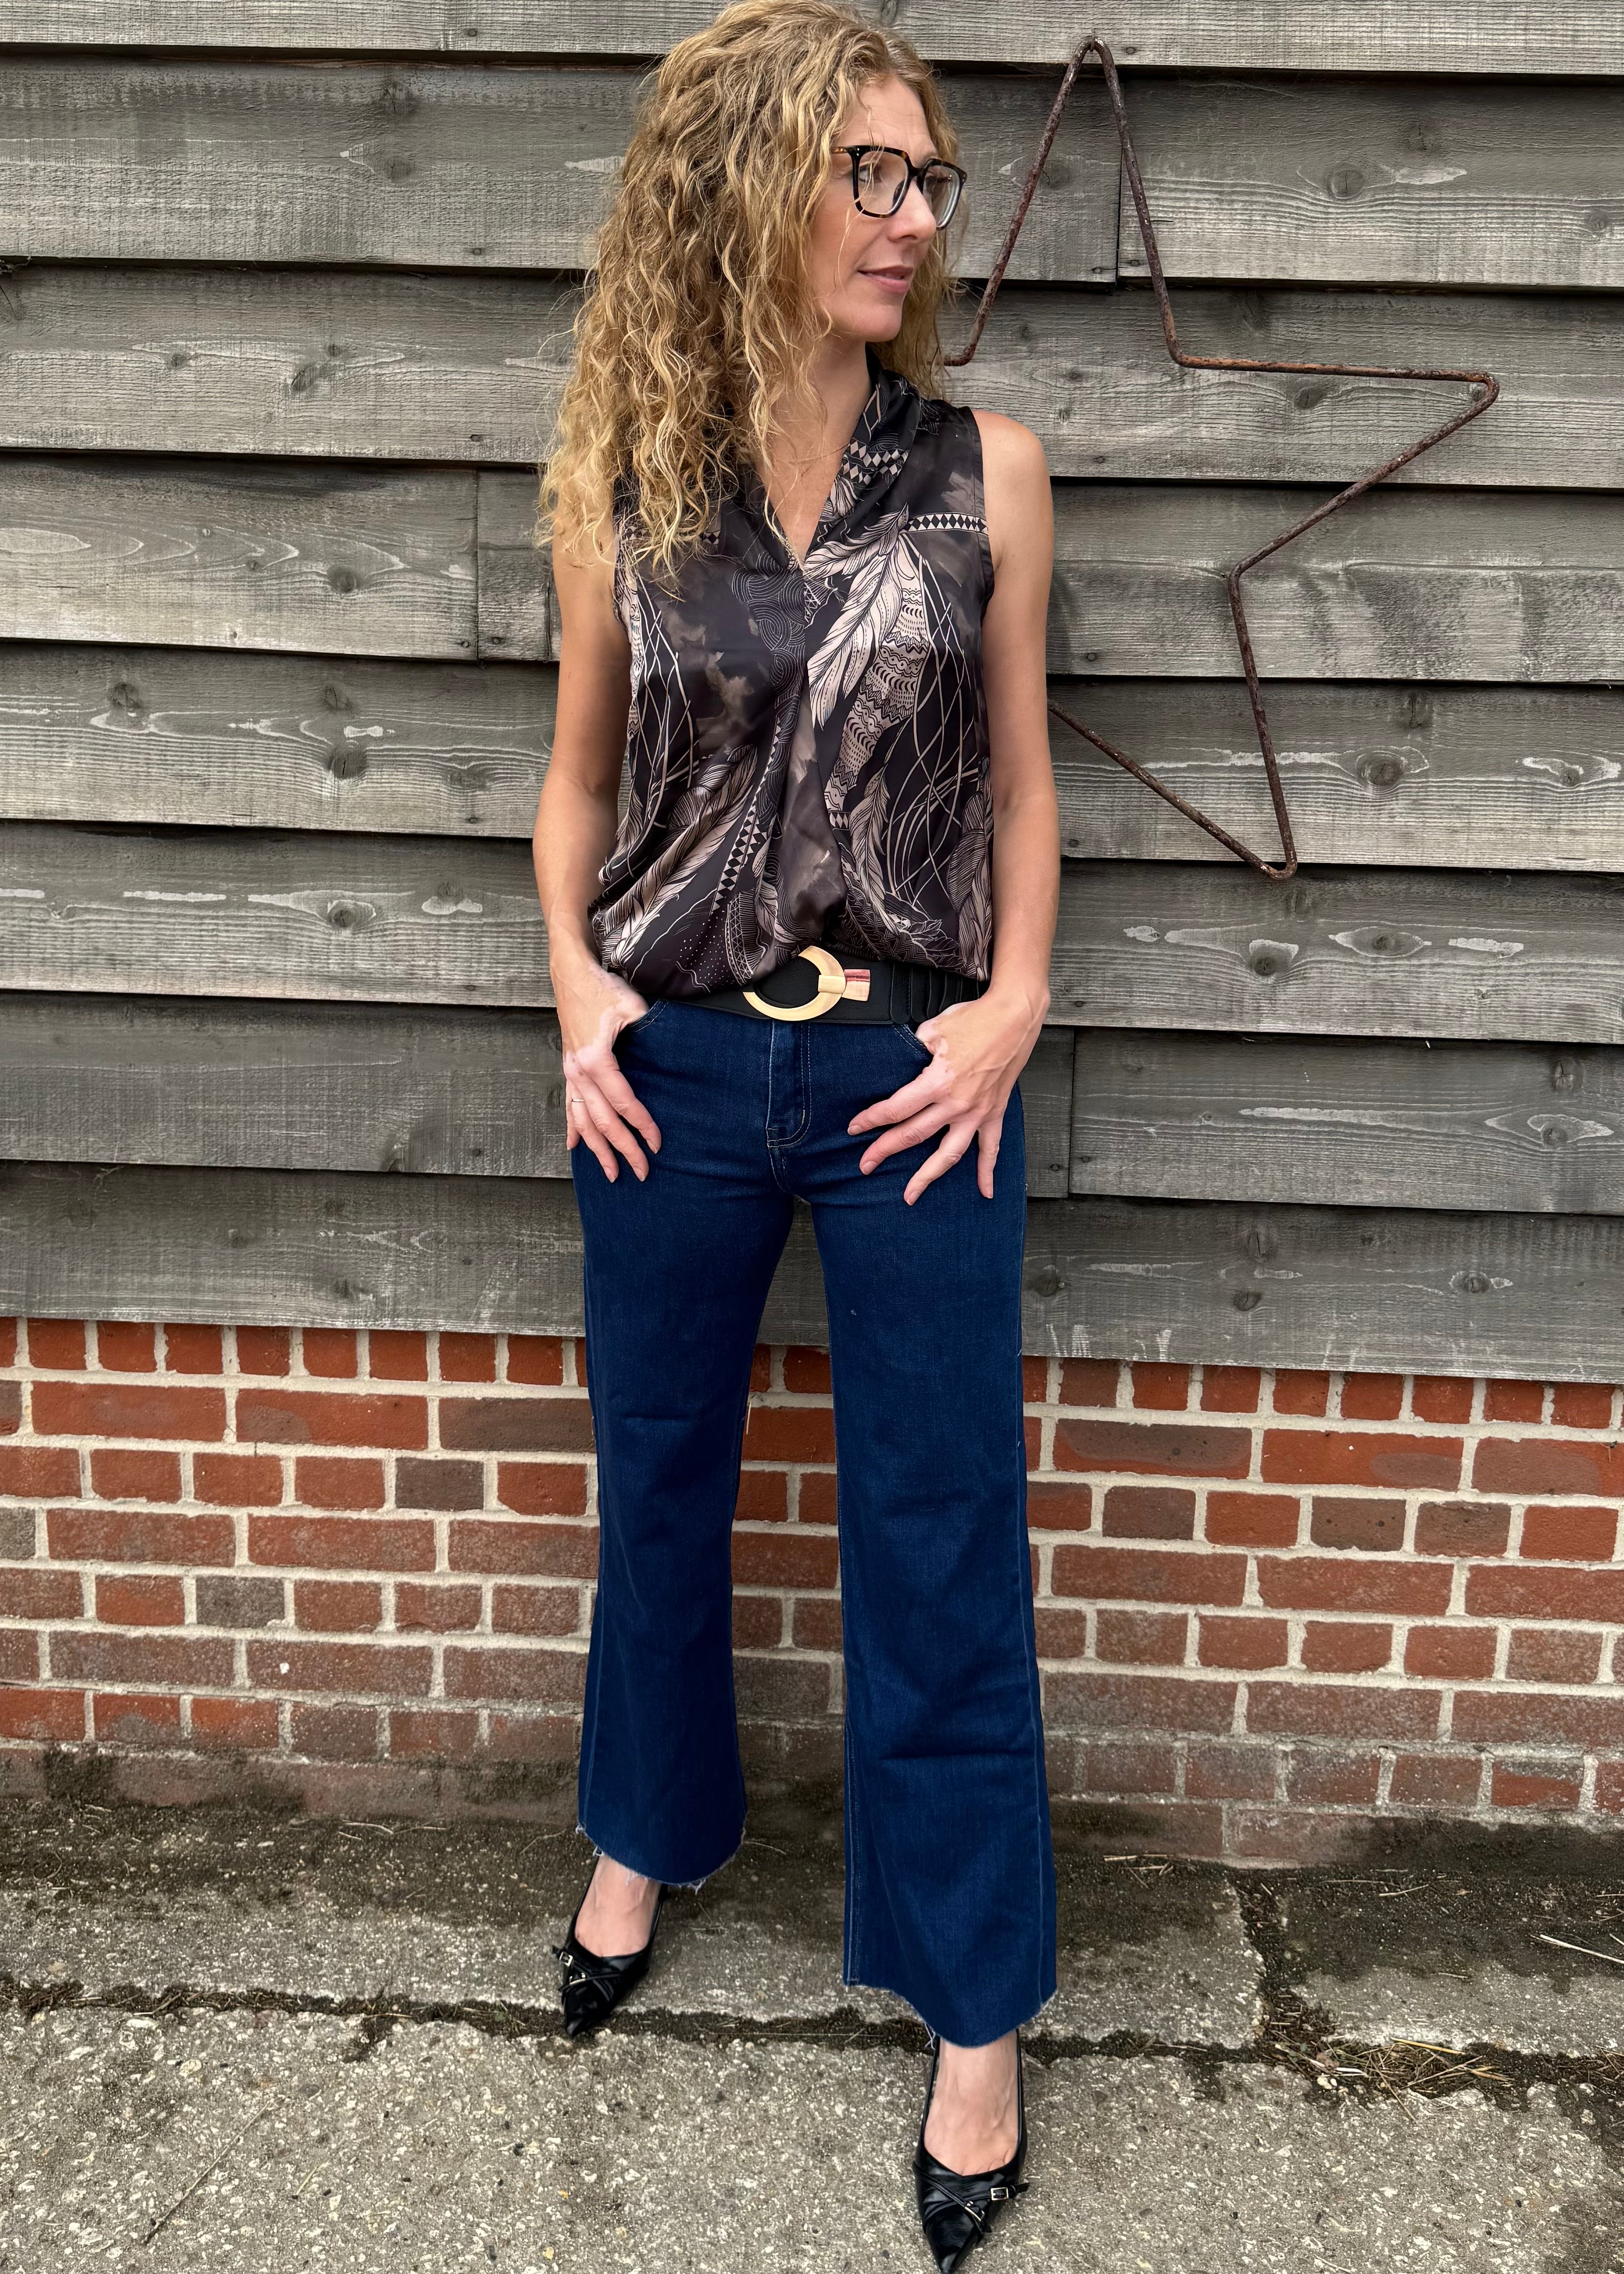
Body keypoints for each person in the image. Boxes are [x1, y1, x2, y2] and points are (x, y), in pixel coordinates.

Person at [532, 3, 1059, 2261]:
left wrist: (1013, 1006)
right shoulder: (627, 485)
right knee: (656, 1472)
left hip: (915, 1076)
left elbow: (1021, 786)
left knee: (938, 1529)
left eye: (927, 176)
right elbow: (575, 786)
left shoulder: (986, 471)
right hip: (668, 1067)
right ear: (746, 182)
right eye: (871, 170)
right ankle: (640, 1835)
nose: (912, 214)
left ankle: (974, 2002)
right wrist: (578, 991)